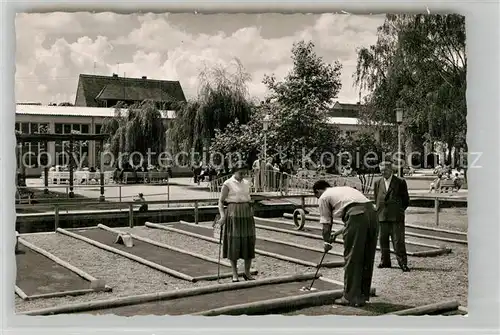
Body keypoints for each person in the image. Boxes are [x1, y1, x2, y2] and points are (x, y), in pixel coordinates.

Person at [313, 180, 378, 307]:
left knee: (352, 258)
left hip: (356, 216)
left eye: (316, 196)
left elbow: (326, 225)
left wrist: (326, 242)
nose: (318, 199)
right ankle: (362, 296)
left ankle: (350, 297)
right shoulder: (343, 190)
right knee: (366, 256)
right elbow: (359, 215)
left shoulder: (323, 197)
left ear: (318, 191)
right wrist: (336, 234)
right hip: (373, 214)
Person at [217, 164, 256, 282]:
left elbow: (248, 197)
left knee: (248, 241)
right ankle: (234, 274)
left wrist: (252, 203)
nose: (243, 175)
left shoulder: (246, 183)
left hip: (246, 213)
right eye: (240, 173)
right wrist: (223, 216)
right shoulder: (228, 183)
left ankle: (247, 272)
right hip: (233, 213)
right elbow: (221, 201)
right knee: (234, 242)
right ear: (235, 171)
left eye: (244, 173)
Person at [374, 161, 410, 272]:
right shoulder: (377, 182)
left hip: (396, 217)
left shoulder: (400, 182)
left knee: (398, 241)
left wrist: (399, 211)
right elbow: (376, 198)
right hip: (382, 216)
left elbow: (406, 200)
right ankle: (385, 261)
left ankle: (402, 262)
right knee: (383, 241)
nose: (383, 173)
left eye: (385, 170)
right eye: (381, 171)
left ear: (391, 170)